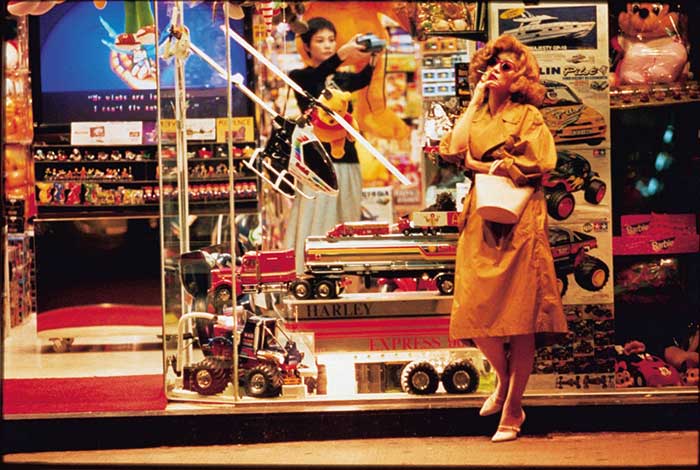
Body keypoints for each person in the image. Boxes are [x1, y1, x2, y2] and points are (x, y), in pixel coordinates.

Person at [439, 34, 568, 443]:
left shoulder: (528, 115)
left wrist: (490, 165)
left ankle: (513, 408)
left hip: (520, 218)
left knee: (522, 316)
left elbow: (541, 162)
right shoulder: (476, 113)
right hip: (481, 215)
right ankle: (504, 378)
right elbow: (453, 149)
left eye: (506, 66)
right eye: (493, 64)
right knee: (474, 311)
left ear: (519, 79)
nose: (495, 69)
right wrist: (475, 100)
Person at [284, 17, 377, 273]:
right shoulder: (300, 77)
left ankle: (346, 274)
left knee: (347, 219)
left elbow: (364, 78)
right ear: (307, 46)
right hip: (315, 165)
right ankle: (307, 271)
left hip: (347, 160)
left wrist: (373, 55)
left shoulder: (342, 79)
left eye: (331, 40)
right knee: (315, 220)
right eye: (320, 40)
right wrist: (341, 55)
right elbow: (316, 77)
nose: (327, 45)